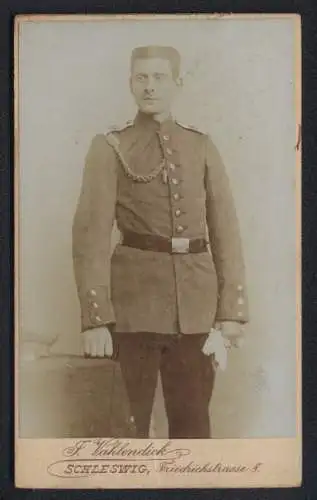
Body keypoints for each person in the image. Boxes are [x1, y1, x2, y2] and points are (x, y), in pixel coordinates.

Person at [72, 45, 249, 439]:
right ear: (131, 83)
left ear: (177, 83)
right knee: (131, 430)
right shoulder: (110, 147)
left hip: (196, 311)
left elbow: (226, 231)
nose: (149, 87)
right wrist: (96, 319)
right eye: (141, 78)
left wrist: (232, 310)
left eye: (159, 78)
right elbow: (91, 236)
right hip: (135, 309)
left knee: (193, 429)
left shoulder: (201, 146)